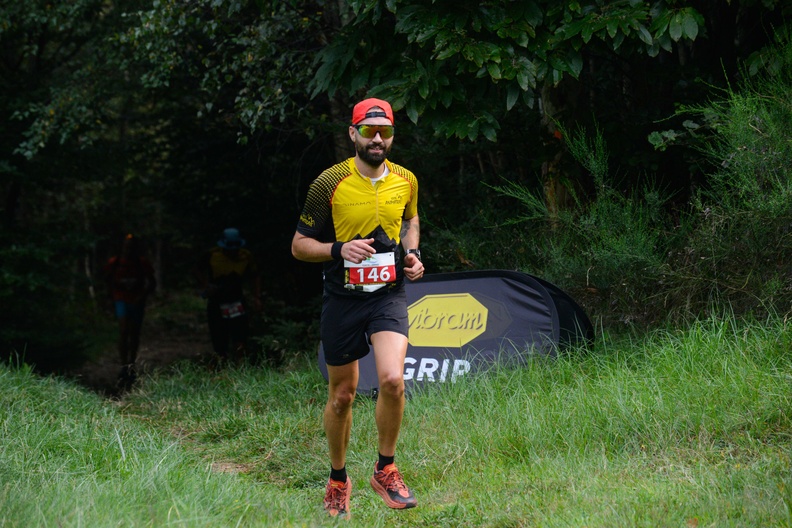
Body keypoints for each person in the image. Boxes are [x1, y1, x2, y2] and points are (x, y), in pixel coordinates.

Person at [291, 98, 425, 517]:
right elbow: (298, 246)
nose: (377, 139)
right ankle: (337, 480)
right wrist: (338, 249)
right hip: (343, 299)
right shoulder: (329, 182)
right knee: (342, 396)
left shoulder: (406, 180)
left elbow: (410, 220)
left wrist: (413, 254)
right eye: (369, 131)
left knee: (393, 380)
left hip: (388, 295)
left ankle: (386, 469)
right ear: (353, 134)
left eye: (385, 131)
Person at [197, 228, 261, 364]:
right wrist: (206, 286)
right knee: (218, 336)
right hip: (217, 300)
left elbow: (255, 276)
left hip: (236, 299)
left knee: (240, 334)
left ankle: (240, 364)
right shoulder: (212, 254)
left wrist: (256, 297)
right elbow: (197, 270)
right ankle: (221, 364)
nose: (232, 251)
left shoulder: (246, 256)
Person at [104, 233, 156, 385]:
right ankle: (123, 365)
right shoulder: (115, 262)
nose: (128, 249)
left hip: (137, 301)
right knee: (124, 331)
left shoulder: (141, 263)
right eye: (126, 246)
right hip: (121, 300)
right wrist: (110, 297)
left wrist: (143, 295)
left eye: (131, 246)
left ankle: (131, 364)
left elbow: (152, 282)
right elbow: (106, 280)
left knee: (134, 333)